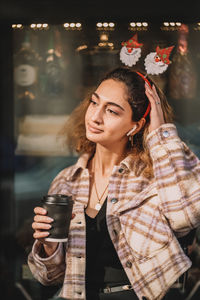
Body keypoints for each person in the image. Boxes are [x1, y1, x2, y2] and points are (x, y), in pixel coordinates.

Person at [28, 67, 200, 300]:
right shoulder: (67, 180)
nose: (95, 117)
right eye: (94, 102)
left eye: (111, 111)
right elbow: (49, 277)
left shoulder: (152, 178)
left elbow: (186, 216)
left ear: (135, 125)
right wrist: (48, 246)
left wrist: (161, 135)